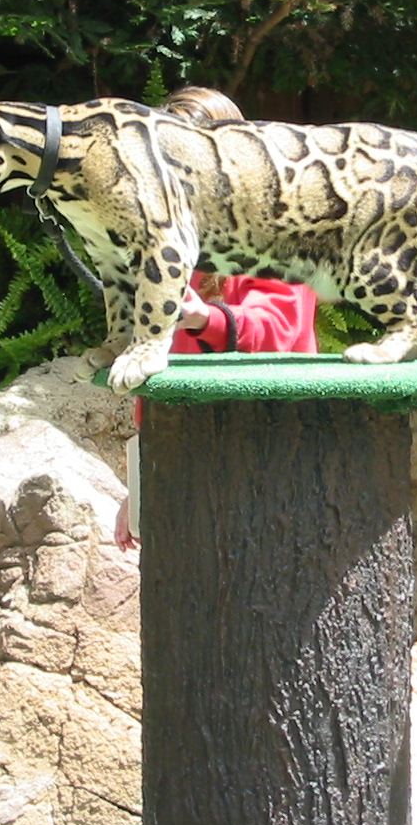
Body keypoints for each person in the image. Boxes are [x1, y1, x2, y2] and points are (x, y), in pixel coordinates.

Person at [114, 87, 319, 548]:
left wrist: (204, 317)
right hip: (183, 457)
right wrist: (140, 485)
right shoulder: (173, 239)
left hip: (264, 454)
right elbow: (156, 377)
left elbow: (279, 330)